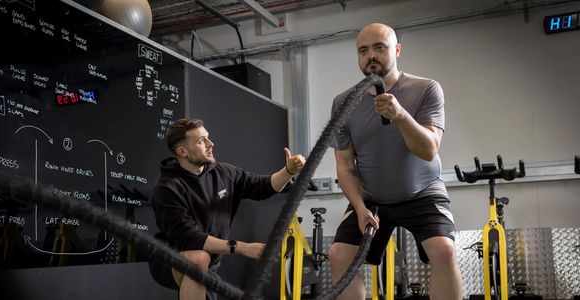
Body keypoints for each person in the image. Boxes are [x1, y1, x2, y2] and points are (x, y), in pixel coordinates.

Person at [328, 23, 463, 299]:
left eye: (380, 47)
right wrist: (360, 207)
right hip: (372, 197)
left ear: (397, 50)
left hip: (423, 192)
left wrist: (400, 115)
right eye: (363, 50)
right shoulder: (343, 102)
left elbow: (429, 150)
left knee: (444, 250)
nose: (371, 56)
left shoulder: (426, 89)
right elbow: (344, 165)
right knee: (339, 255)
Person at [148, 117, 306, 300]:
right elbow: (189, 238)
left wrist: (288, 171)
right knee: (198, 258)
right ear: (182, 151)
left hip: (209, 260)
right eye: (201, 141)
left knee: (202, 261)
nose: (210, 144)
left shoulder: (224, 173)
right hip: (168, 260)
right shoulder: (167, 187)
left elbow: (262, 187)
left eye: (208, 137)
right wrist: (241, 247)